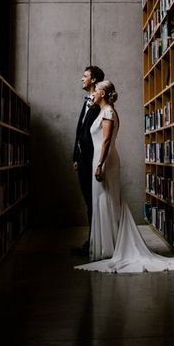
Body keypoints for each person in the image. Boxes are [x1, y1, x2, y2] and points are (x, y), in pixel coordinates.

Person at [74, 80, 174, 274]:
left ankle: (111, 246)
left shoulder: (108, 112)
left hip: (105, 160)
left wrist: (100, 164)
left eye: (97, 91)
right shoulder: (102, 111)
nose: (93, 94)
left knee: (107, 199)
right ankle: (107, 246)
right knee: (102, 200)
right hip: (98, 159)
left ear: (102, 93)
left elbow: (107, 140)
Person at [71, 64, 104, 254]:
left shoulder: (99, 103)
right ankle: (91, 241)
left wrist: (95, 161)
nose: (82, 79)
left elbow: (95, 133)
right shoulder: (87, 101)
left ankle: (93, 243)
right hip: (82, 159)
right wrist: (76, 155)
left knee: (93, 202)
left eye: (85, 76)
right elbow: (80, 130)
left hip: (92, 160)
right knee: (88, 201)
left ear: (94, 80)